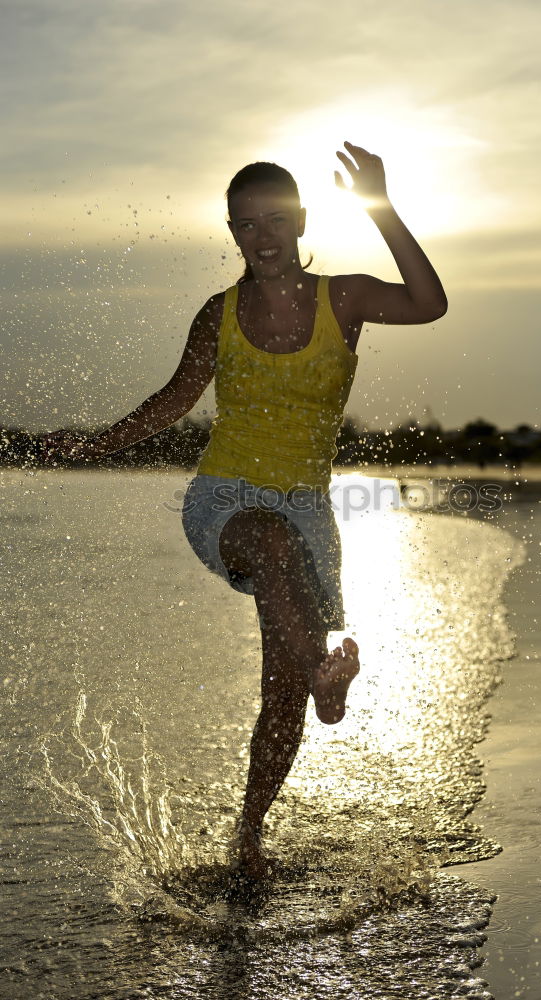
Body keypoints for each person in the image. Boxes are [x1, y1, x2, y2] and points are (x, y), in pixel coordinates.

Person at [41, 142, 448, 880]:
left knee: (282, 699)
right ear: (231, 232)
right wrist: (94, 444)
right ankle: (326, 674)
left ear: (298, 222)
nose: (261, 237)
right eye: (244, 224)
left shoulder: (344, 299)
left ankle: (248, 835)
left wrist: (380, 206)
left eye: (274, 221)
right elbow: (173, 401)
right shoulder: (217, 314)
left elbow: (429, 304)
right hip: (225, 499)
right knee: (266, 542)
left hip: (309, 512)